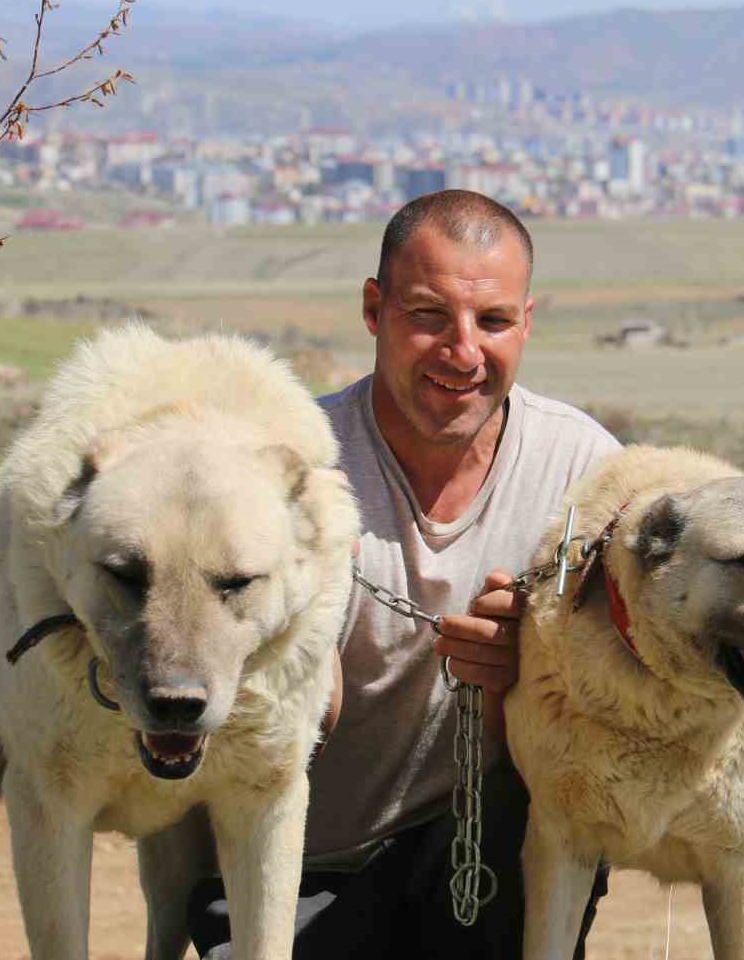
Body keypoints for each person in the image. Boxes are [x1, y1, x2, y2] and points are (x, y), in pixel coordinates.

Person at [188, 190, 620, 958]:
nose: (463, 352)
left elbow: (627, 708)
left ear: (526, 323)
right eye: (428, 316)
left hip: (480, 859)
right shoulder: (282, 468)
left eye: (493, 322)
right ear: (373, 309)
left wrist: (535, 670)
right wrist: (303, 658)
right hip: (292, 861)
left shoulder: (586, 473)